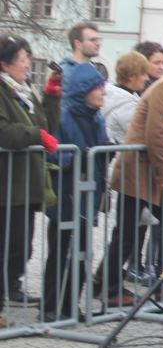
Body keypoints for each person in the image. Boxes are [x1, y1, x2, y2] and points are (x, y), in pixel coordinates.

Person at [96, 52, 163, 308]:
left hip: (146, 172)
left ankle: (157, 284)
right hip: (140, 172)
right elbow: (157, 134)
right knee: (130, 232)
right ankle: (113, 289)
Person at [0, 35, 61, 326]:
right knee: (8, 247)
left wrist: (51, 95)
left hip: (24, 185)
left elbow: (46, 125)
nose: (27, 63)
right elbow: (5, 132)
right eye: (22, 59)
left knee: (21, 248)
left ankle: (9, 288)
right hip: (6, 185)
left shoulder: (22, 90)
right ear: (5, 64)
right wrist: (36, 135)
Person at [42, 64, 107, 321]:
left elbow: (97, 151)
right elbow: (51, 152)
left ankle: (71, 306)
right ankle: (50, 306)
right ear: (84, 90)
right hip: (66, 195)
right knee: (60, 252)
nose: (104, 92)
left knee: (81, 253)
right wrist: (76, 158)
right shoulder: (63, 115)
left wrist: (106, 152)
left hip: (87, 195)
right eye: (99, 88)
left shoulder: (97, 118)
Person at [102, 51, 149, 144]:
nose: (147, 78)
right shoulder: (126, 105)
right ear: (131, 76)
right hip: (124, 152)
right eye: (143, 74)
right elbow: (144, 134)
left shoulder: (117, 96)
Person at [60, 23, 101, 96]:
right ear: (78, 44)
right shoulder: (64, 74)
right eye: (93, 40)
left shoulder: (94, 71)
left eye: (98, 39)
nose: (99, 43)